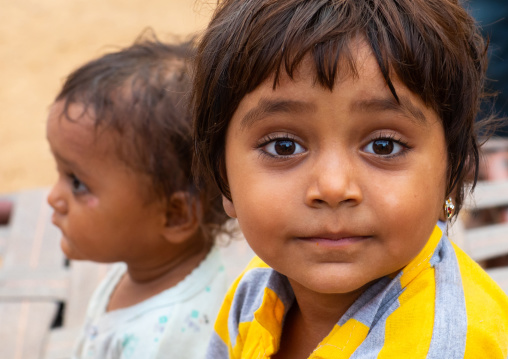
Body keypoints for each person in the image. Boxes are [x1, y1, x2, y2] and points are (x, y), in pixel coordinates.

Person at [191, 1, 508, 358]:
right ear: (224, 177)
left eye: (384, 146)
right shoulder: (257, 289)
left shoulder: (447, 345)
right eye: (283, 146)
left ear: (451, 173)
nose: (332, 187)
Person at [46, 36, 229, 358]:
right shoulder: (150, 266)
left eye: (77, 183)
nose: (53, 198)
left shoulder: (165, 342)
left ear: (175, 215)